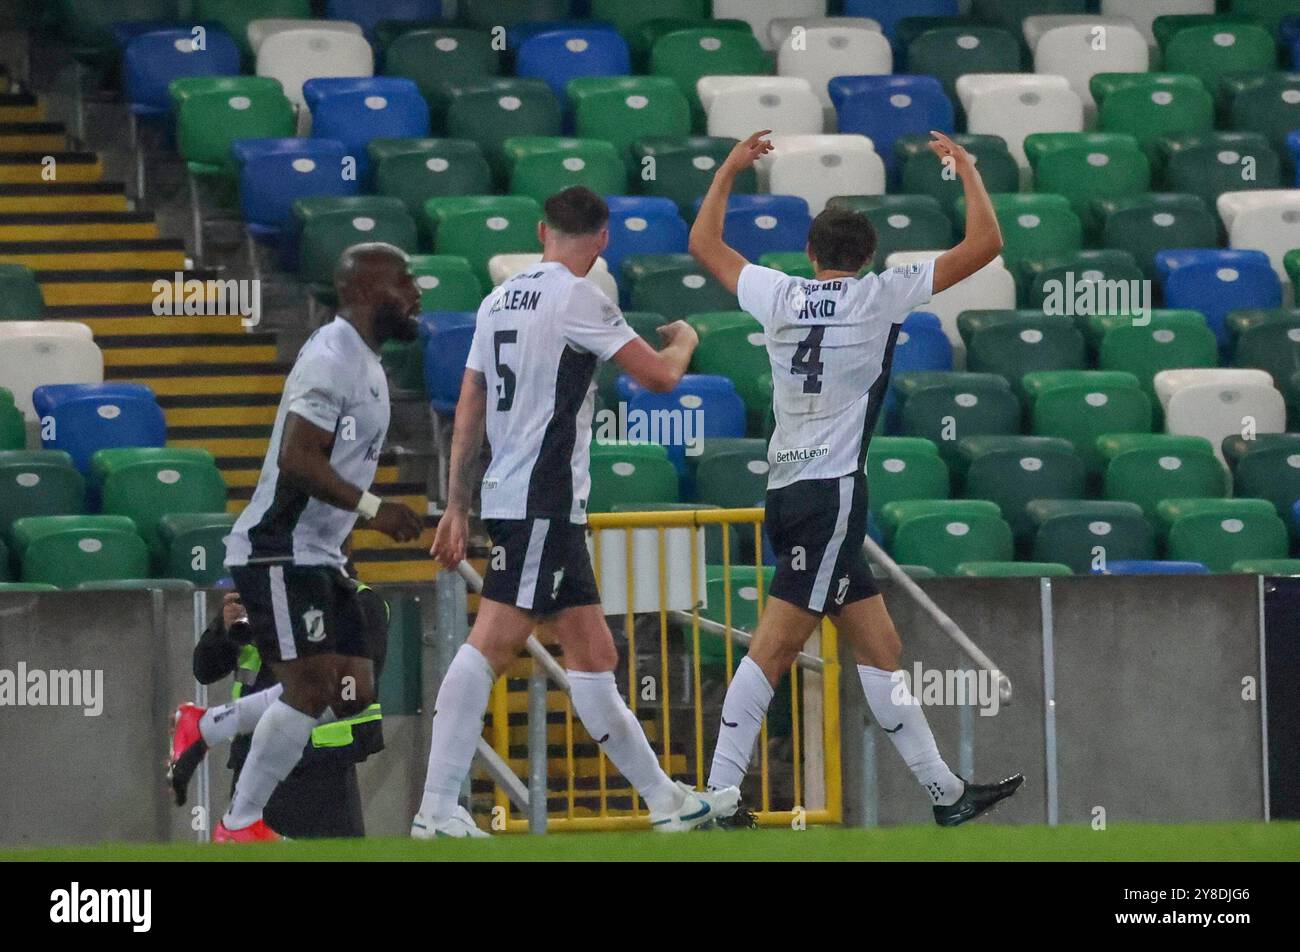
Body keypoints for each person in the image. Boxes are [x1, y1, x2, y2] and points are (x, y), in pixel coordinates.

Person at [688, 130, 1023, 827]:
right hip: (833, 490)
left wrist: (727, 170)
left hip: (784, 488)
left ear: (810, 255)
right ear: (867, 256)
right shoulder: (882, 296)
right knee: (777, 643)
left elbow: (706, 248)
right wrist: (968, 172)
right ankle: (719, 792)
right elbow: (987, 244)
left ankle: (945, 793)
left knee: (881, 645)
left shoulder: (778, 293)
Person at [413, 186, 740, 838]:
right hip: (543, 498)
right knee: (491, 643)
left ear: (541, 231)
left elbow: (471, 397)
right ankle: (436, 807)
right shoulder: (580, 297)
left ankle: (663, 802)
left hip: (523, 497)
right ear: (604, 239)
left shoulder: (496, 298)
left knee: (593, 653)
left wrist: (456, 502)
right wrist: (686, 340)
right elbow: (658, 379)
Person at [212, 243, 425, 842]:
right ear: (360, 291)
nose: (416, 293)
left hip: (320, 554)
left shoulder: (368, 364)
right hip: (278, 547)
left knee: (344, 683)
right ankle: (240, 822)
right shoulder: (331, 355)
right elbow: (298, 459)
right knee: (308, 688)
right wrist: (376, 511)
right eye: (402, 280)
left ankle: (203, 728)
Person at [168, 579, 388, 839]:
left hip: (323, 768)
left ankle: (207, 725)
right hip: (256, 758)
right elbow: (204, 669)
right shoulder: (258, 599)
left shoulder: (360, 601)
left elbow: (350, 686)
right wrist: (225, 629)